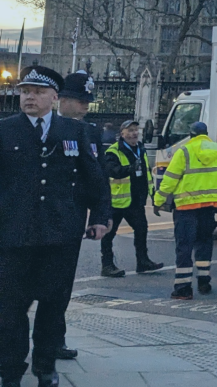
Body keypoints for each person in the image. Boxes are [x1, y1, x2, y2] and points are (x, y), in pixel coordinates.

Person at [0, 66, 110, 387]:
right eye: (24, 91)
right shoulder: (5, 131)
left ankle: (45, 366)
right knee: (9, 309)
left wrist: (101, 218)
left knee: (52, 305)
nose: (29, 97)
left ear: (54, 97)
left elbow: (96, 181)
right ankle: (10, 371)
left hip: (60, 236)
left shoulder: (75, 132)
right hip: (12, 235)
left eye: (36, 92)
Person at [48, 71, 106, 362]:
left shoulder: (91, 133)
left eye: (87, 101)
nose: (85, 106)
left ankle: (55, 339)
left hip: (71, 217)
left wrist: (99, 216)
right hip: (39, 216)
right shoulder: (43, 128)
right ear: (63, 99)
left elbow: (98, 180)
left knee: (61, 285)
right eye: (80, 100)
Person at [154, 121, 217, 299]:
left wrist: (158, 201)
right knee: (204, 243)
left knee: (184, 246)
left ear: (191, 135)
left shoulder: (184, 151)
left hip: (186, 207)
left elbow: (170, 179)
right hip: (210, 206)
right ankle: (204, 282)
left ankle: (183, 288)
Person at [100, 120, 164, 278]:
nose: (134, 133)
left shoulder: (140, 148)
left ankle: (143, 262)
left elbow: (147, 173)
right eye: (130, 130)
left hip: (135, 199)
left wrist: (152, 194)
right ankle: (107, 265)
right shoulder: (113, 151)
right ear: (122, 134)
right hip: (116, 201)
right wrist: (130, 169)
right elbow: (113, 171)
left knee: (142, 230)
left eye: (136, 130)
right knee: (109, 234)